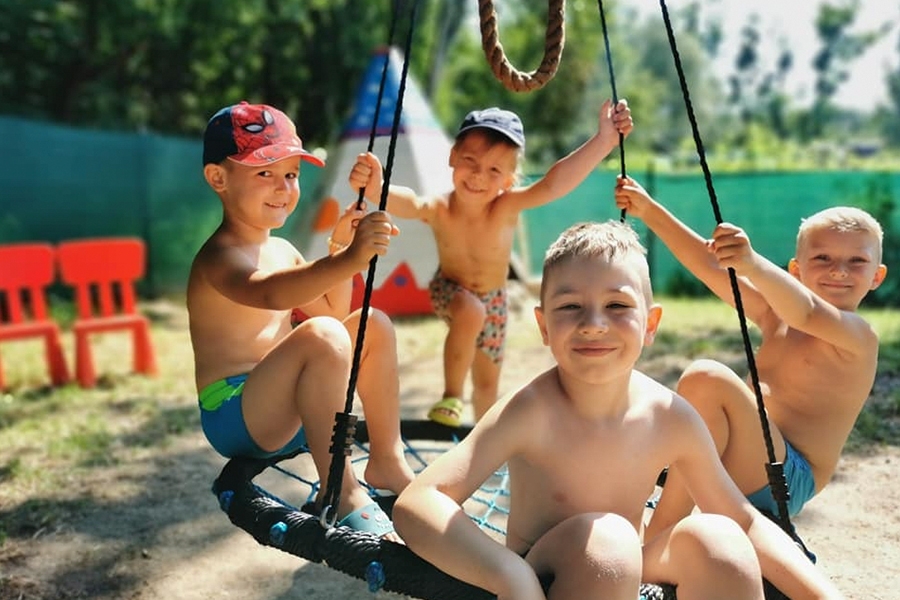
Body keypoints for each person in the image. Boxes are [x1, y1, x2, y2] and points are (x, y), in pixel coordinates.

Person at [392, 221, 843, 600]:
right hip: (549, 574)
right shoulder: (531, 411)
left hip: (630, 564)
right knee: (609, 541)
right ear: (544, 327)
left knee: (720, 539)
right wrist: (508, 574)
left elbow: (743, 518)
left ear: (650, 325)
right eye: (570, 307)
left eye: (617, 305)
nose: (593, 324)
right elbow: (418, 502)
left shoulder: (669, 416)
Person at [613, 176, 887, 541]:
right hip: (743, 454)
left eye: (857, 261)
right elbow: (711, 268)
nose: (839, 270)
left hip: (787, 479)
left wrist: (753, 263)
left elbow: (805, 313)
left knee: (706, 379)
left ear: (876, 277)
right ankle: (636, 506)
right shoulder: (777, 316)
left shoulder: (859, 338)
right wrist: (648, 210)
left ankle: (659, 535)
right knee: (645, 395)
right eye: (823, 258)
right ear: (795, 270)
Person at [187, 101, 415, 540]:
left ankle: (387, 459)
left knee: (371, 324)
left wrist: (339, 249)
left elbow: (331, 312)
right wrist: (350, 256)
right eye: (264, 173)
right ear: (218, 178)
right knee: (323, 336)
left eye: (290, 174)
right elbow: (270, 292)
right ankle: (343, 490)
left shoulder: (285, 248)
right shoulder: (218, 258)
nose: (283, 187)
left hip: (293, 408)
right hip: (236, 414)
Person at [349, 100, 633, 427]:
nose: (478, 176)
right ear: (453, 157)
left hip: (495, 301)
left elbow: (554, 184)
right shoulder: (440, 208)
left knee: (487, 384)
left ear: (510, 180)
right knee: (470, 311)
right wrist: (377, 189)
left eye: (494, 170)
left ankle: (483, 438)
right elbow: (411, 203)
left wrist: (605, 141)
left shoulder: (506, 207)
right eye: (470, 161)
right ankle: (451, 397)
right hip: (450, 291)